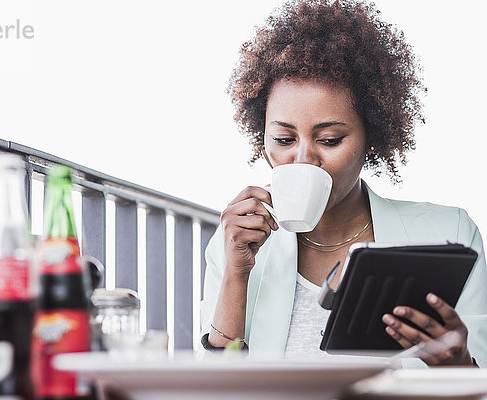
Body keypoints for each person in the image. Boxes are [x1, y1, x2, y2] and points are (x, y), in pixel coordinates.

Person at [200, 0, 487, 367]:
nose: (304, 160)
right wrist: (235, 278)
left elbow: (477, 382)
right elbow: (217, 387)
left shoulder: (450, 234)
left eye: (330, 139)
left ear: (372, 136)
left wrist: (458, 364)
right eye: (284, 140)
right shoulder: (235, 244)